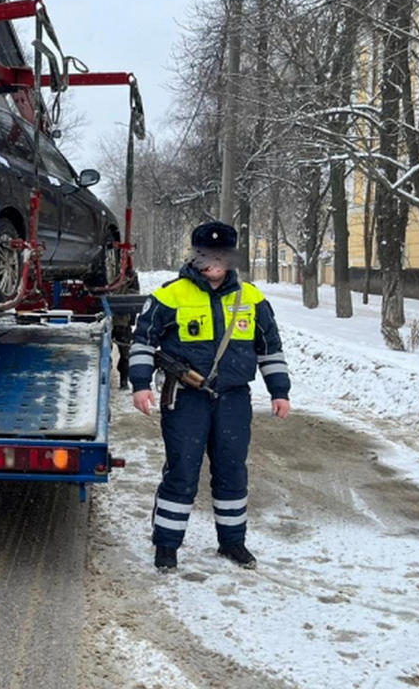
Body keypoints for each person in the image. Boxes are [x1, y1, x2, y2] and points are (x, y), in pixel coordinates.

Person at [129, 220, 291, 572]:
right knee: (182, 471)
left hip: (233, 399)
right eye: (205, 254)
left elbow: (270, 349)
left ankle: (232, 542)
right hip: (187, 398)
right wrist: (140, 384)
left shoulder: (252, 298)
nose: (212, 262)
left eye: (220, 255)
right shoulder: (169, 295)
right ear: (194, 256)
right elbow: (142, 342)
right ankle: (167, 546)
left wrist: (280, 391)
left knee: (232, 470)